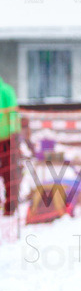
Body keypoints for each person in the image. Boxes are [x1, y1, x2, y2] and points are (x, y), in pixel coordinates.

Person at [0, 75, 20, 216]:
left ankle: (10, 205)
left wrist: (13, 134)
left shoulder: (6, 91)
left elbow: (13, 114)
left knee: (9, 173)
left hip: (6, 140)